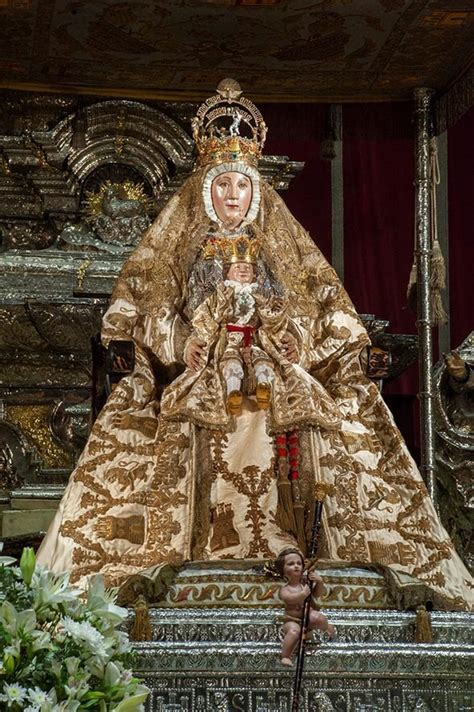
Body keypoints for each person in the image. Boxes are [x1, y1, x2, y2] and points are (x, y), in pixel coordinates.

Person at [37, 79, 473, 611]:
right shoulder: (184, 251)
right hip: (207, 370)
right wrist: (184, 345)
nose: (232, 196)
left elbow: (320, 310)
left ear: (255, 192)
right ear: (206, 192)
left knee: (291, 404)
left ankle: (301, 543)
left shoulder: (277, 251)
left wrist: (295, 341)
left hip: (266, 367)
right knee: (215, 404)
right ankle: (201, 543)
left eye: (241, 186)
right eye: (222, 186)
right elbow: (141, 313)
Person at [160, 239, 342, 432]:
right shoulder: (219, 297)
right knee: (230, 364)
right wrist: (198, 338)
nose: (243, 270)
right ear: (227, 272)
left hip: (256, 340)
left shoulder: (262, 297)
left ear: (255, 273)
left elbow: (274, 322)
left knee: (264, 363)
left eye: (248, 267)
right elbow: (204, 319)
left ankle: (265, 388)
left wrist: (276, 318)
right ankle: (233, 394)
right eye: (237, 266)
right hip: (228, 342)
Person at [276, 547, 335, 666]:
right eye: (291, 564)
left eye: (299, 563)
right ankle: (286, 656)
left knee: (320, 618)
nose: (296, 566)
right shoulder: (285, 589)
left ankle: (327, 627)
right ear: (283, 570)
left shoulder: (306, 584)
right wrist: (302, 594)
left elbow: (319, 594)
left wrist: (319, 582)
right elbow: (290, 599)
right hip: (292, 619)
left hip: (307, 617)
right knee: (293, 632)